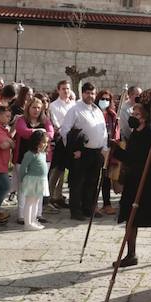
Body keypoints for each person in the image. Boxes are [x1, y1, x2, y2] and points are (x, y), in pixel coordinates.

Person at [115, 93, 151, 266]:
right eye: (133, 113)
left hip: (149, 183)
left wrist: (117, 152)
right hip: (134, 181)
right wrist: (114, 148)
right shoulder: (135, 133)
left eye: (137, 114)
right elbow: (132, 158)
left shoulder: (150, 134)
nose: (133, 116)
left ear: (145, 117)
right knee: (130, 219)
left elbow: (136, 158)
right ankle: (131, 255)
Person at [61, 82, 108, 220]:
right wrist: (73, 150)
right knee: (78, 182)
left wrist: (104, 148)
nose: (90, 95)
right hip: (81, 152)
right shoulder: (75, 109)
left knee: (92, 182)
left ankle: (88, 207)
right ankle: (76, 211)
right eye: (87, 93)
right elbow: (65, 131)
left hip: (96, 152)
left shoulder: (97, 110)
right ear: (82, 93)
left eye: (93, 93)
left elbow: (103, 130)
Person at [47, 80, 75, 209]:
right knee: (57, 169)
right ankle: (50, 196)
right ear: (58, 90)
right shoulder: (54, 105)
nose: (66, 91)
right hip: (60, 140)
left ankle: (59, 196)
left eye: (68, 88)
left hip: (73, 140)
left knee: (65, 171)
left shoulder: (74, 105)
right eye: (63, 89)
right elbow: (56, 124)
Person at [17, 130, 50, 230]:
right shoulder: (30, 154)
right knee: (30, 202)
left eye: (46, 142)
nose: (45, 144)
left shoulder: (42, 154)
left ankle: (33, 220)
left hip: (40, 180)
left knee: (36, 201)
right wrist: (23, 179)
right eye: (43, 142)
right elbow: (23, 168)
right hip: (32, 181)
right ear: (36, 142)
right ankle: (28, 223)